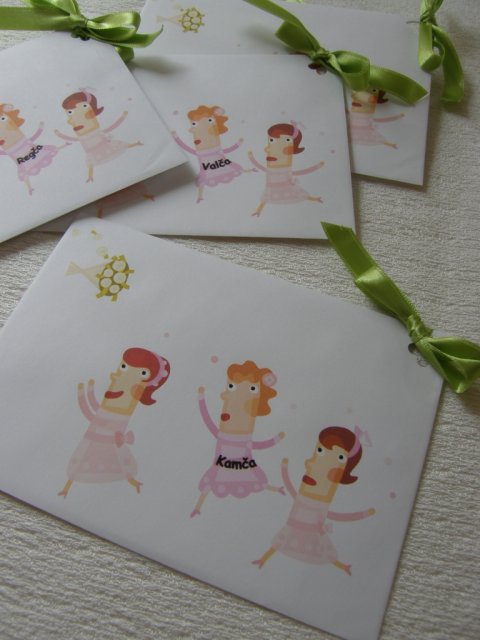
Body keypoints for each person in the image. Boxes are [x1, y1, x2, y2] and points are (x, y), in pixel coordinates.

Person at [253, 426, 375, 574]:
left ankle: (343, 566)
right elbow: (291, 489)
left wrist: (363, 514)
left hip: (312, 538)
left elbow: (338, 516)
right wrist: (284, 471)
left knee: (324, 553)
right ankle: (263, 559)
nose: (309, 463)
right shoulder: (304, 493)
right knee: (279, 543)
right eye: (319, 451)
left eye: (339, 458)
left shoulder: (322, 502)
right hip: (292, 530)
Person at [58, 348, 170, 498]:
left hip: (105, 439)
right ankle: (67, 487)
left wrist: (85, 396)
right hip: (97, 438)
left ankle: (131, 482)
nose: (115, 375)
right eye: (123, 367)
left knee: (93, 460)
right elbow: (97, 413)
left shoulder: (127, 401)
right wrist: (86, 395)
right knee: (84, 460)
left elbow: (95, 415)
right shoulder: (117, 396)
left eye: (142, 373)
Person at [191, 360, 285, 516]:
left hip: (242, 465)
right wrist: (201, 401)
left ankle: (275, 489)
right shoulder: (225, 432)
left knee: (254, 480)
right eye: (231, 386)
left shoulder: (244, 430)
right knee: (211, 482)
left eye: (252, 388)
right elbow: (208, 422)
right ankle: (197, 507)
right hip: (223, 465)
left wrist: (274, 441)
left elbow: (255, 445)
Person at [54, 90, 142, 182]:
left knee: (119, 147)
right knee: (91, 164)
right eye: (70, 113)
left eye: (84, 106)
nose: (71, 120)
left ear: (91, 111)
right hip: (93, 152)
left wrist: (122, 117)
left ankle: (135, 144)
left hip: (105, 146)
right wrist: (59, 135)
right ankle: (90, 177)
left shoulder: (96, 130)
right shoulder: (82, 135)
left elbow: (113, 126)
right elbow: (72, 139)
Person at [172, 105, 253, 203]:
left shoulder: (215, 146)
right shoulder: (201, 150)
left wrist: (237, 144)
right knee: (203, 180)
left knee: (231, 170)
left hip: (221, 166)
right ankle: (200, 196)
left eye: (209, 120)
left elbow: (226, 150)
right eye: (194, 124)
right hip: (208, 170)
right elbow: (187, 148)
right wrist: (176, 138)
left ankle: (247, 170)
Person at [248, 122, 324, 217]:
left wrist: (317, 167)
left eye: (287, 140)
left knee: (298, 194)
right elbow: (260, 167)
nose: (267, 149)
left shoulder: (285, 168)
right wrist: (251, 158)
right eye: (271, 140)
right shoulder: (271, 168)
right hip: (272, 189)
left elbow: (302, 172)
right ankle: (258, 211)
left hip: (286, 189)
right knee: (266, 198)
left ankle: (314, 199)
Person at [0, 103, 63, 195]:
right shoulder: (9, 149)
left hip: (36, 154)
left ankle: (63, 146)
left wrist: (40, 129)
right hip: (25, 163)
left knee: (50, 151)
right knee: (25, 174)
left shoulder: (21, 138)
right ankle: (30, 188)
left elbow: (33, 138)